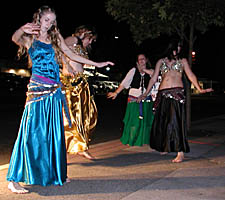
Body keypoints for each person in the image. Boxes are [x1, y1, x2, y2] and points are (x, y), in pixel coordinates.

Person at [6, 5, 114, 194]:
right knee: (30, 133)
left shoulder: (55, 37)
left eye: (52, 21)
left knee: (53, 133)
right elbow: (15, 38)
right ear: (39, 18)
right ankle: (14, 179)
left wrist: (96, 63)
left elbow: (71, 54)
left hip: (55, 92)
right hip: (38, 91)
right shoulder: (30, 37)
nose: (49, 24)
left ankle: (54, 173)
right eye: (46, 19)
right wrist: (22, 28)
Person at [137, 39, 213, 163]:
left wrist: (199, 88)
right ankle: (166, 146)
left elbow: (190, 75)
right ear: (170, 46)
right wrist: (145, 93)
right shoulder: (161, 61)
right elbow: (153, 79)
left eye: (179, 47)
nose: (178, 49)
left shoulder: (182, 61)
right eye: (176, 46)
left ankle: (180, 152)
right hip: (163, 94)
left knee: (176, 122)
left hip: (176, 94)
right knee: (163, 122)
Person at [60, 25, 99, 160]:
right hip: (70, 84)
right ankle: (63, 151)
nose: (90, 42)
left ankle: (81, 146)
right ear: (84, 33)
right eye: (90, 39)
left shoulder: (82, 48)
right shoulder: (72, 40)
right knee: (69, 118)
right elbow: (59, 47)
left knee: (85, 116)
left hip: (81, 84)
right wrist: (68, 64)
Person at [107, 54, 155, 146]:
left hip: (146, 99)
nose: (141, 61)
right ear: (137, 62)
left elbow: (154, 75)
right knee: (134, 121)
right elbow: (124, 83)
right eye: (139, 59)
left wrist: (143, 70)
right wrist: (116, 93)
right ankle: (132, 139)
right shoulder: (133, 71)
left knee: (145, 121)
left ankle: (144, 140)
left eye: (143, 59)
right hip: (134, 99)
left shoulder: (151, 71)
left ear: (146, 60)